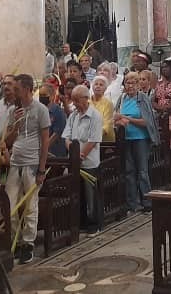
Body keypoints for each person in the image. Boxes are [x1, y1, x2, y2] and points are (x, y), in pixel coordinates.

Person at [2, 74, 50, 264]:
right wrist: (15, 125)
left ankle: (28, 244)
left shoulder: (41, 110)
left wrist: (41, 169)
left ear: (28, 89)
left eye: (18, 89)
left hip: (32, 163)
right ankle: (16, 240)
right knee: (10, 205)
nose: (14, 92)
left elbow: (45, 141)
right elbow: (8, 140)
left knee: (30, 205)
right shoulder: (14, 110)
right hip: (15, 161)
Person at [114, 71, 160, 213]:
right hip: (126, 138)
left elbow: (147, 122)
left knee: (142, 171)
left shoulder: (142, 99)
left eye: (133, 83)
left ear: (138, 85)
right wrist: (119, 120)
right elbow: (115, 116)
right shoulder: (122, 98)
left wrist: (129, 119)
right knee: (129, 171)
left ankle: (147, 202)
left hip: (140, 138)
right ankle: (133, 202)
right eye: (127, 82)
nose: (130, 86)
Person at [63, 85, 105, 233]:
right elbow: (66, 137)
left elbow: (93, 140)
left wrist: (80, 156)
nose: (74, 104)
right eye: (73, 100)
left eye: (77, 100)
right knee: (77, 195)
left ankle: (94, 224)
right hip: (74, 162)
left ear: (86, 99)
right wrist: (73, 153)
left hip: (89, 163)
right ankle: (80, 223)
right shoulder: (73, 116)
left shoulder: (95, 116)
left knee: (90, 196)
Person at [38, 84, 67, 159]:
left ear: (52, 96)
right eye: (40, 95)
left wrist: (43, 148)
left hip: (55, 154)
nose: (41, 97)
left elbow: (56, 135)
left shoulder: (58, 112)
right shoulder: (39, 111)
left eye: (44, 95)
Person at [90, 75, 115, 140]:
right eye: (96, 84)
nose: (98, 86)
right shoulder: (87, 102)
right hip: (88, 138)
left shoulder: (108, 103)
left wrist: (95, 135)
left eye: (101, 85)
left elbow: (107, 124)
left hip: (105, 139)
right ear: (92, 87)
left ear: (105, 88)